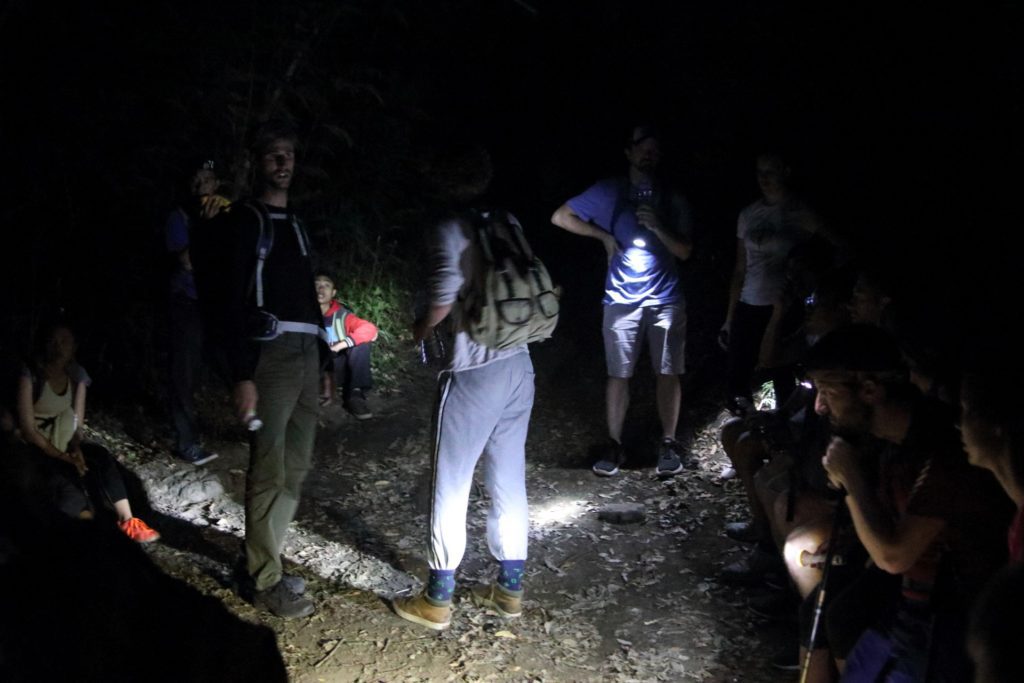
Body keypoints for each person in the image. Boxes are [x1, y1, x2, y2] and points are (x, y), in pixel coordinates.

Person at [806, 324, 1011, 681]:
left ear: (869, 389)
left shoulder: (947, 455)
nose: (820, 406)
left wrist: (851, 478)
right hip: (910, 608)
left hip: (953, 624)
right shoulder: (891, 446)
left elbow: (893, 555)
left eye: (828, 391)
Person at [393, 145, 534, 631]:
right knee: (508, 477)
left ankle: (437, 599)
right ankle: (509, 590)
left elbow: (440, 299)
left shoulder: (449, 228)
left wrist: (416, 331)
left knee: (451, 482)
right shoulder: (506, 220)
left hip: (474, 370)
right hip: (520, 364)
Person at [217, 126, 321, 618]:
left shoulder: (297, 222)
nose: (283, 163)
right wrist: (241, 373)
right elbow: (230, 300)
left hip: (305, 351)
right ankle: (264, 578)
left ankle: (263, 559)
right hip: (271, 352)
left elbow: (308, 291)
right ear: (259, 163)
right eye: (274, 156)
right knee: (269, 467)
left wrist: (323, 358)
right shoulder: (245, 220)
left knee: (297, 466)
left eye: (289, 155)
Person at [551, 124, 694, 477]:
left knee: (668, 370)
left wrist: (659, 225)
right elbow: (560, 217)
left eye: (655, 149)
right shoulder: (611, 191)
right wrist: (602, 236)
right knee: (619, 374)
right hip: (620, 300)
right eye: (642, 147)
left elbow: (686, 251)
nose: (649, 153)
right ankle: (614, 445)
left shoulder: (672, 198)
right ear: (628, 152)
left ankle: (669, 443)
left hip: (665, 300)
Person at [15, 321, 160, 543]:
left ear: (74, 347)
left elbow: (77, 423)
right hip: (37, 448)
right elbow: (29, 430)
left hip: (64, 443)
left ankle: (127, 520)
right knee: (65, 488)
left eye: (64, 341)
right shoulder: (30, 375)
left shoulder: (75, 375)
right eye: (53, 341)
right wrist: (63, 456)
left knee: (101, 458)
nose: (58, 346)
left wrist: (75, 449)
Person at [720, 153, 824, 413]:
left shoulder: (800, 212)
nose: (764, 178)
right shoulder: (748, 214)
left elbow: (835, 248)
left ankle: (779, 425)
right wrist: (729, 318)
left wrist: (812, 288)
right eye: (759, 172)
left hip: (783, 304)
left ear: (785, 172)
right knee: (739, 374)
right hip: (749, 302)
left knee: (775, 370)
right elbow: (740, 268)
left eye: (770, 171)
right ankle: (747, 427)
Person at [163, 159, 230, 465]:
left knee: (231, 363)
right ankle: (187, 443)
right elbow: (186, 261)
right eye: (196, 180)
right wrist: (204, 225)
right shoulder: (179, 218)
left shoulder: (226, 214)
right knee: (184, 373)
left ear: (217, 184)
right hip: (187, 302)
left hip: (217, 303)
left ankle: (253, 424)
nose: (201, 186)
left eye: (207, 180)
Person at [314, 273, 379, 419]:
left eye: (326, 285)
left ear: (333, 292)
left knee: (361, 345)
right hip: (313, 369)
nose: (321, 288)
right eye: (316, 284)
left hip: (338, 369)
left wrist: (339, 346)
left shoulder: (342, 315)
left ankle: (355, 395)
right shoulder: (302, 315)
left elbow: (369, 329)